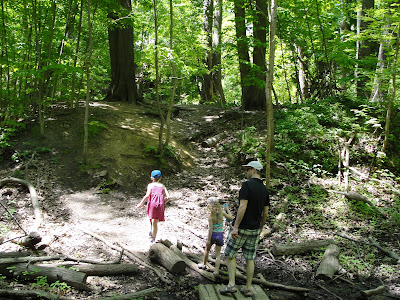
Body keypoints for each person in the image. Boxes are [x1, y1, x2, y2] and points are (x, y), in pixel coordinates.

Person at [219, 161, 270, 297]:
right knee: (250, 258)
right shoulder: (265, 190)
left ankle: (231, 285)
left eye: (247, 169)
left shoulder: (246, 186)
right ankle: (248, 288)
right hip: (254, 229)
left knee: (230, 255)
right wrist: (260, 228)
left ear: (254, 170)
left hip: (241, 228)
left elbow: (242, 207)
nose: (245, 172)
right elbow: (265, 213)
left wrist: (235, 226)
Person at [198, 197, 234, 277]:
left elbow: (210, 229)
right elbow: (231, 218)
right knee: (218, 254)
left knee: (207, 249)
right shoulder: (222, 213)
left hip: (213, 234)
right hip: (220, 235)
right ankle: (216, 271)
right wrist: (227, 209)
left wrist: (208, 240)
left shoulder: (211, 216)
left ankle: (203, 264)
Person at [137, 170, 169, 243]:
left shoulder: (150, 185)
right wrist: (163, 203)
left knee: (150, 217)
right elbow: (168, 197)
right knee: (156, 221)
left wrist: (141, 203)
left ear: (151, 178)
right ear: (160, 178)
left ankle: (152, 233)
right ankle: (153, 238)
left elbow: (147, 195)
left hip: (152, 204)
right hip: (160, 205)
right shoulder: (162, 186)